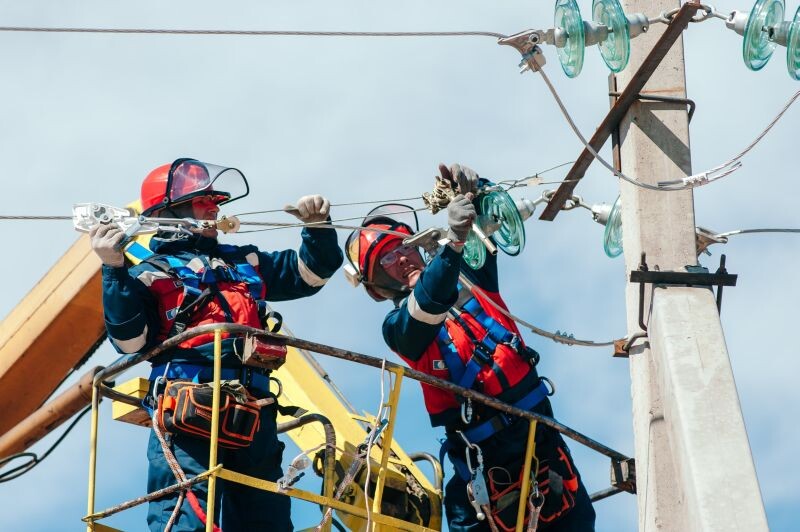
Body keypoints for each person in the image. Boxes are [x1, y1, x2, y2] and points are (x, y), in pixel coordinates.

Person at [89, 158, 343, 531]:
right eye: (202, 201)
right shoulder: (146, 273)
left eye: (215, 201)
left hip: (254, 412)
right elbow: (129, 342)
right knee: (185, 520)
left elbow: (310, 275)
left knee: (267, 521)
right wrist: (112, 268)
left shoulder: (244, 261)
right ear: (168, 212)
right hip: (189, 410)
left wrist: (318, 228)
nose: (215, 209)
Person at [344, 163, 595, 531]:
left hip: (540, 441)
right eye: (386, 259)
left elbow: (493, 221)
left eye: (402, 246)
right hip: (481, 460)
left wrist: (476, 189)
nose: (401, 258)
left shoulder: (472, 279)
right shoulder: (398, 327)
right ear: (376, 287)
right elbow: (428, 304)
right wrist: (455, 242)